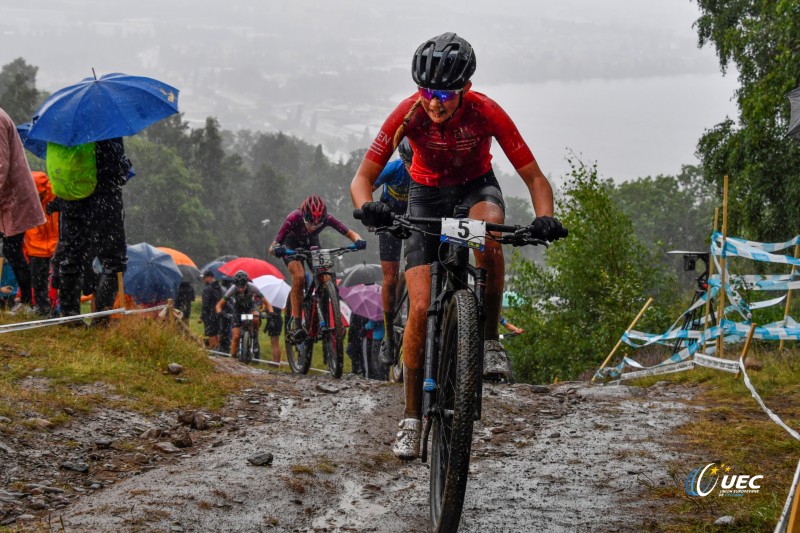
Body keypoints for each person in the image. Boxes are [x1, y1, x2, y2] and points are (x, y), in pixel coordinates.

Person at [350, 33, 567, 459]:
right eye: (428, 91)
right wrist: (368, 208)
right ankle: (412, 417)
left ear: (465, 88)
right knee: (419, 305)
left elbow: (536, 179)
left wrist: (545, 216)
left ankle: (487, 341)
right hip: (425, 196)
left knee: (489, 235)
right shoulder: (408, 113)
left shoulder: (485, 112)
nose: (435, 102)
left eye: (446, 93)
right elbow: (361, 179)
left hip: (474, 189)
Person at [50, 138, 132, 324]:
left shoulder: (65, 124)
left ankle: (70, 318)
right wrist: (125, 165)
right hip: (103, 196)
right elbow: (114, 165)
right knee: (114, 260)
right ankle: (100, 321)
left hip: (71, 196)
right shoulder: (105, 125)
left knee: (71, 256)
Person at [268, 195, 366, 340]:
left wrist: (359, 240)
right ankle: (297, 324)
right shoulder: (293, 217)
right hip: (290, 245)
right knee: (299, 276)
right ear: (303, 215)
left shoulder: (327, 218)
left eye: (317, 224)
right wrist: (277, 250)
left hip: (311, 244)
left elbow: (350, 233)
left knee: (327, 276)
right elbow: (272, 247)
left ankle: (330, 320)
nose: (313, 226)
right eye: (309, 222)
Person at [369, 138, 412, 365]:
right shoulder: (394, 168)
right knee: (390, 277)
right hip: (390, 220)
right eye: (409, 163)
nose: (412, 168)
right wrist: (371, 211)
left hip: (415, 219)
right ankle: (388, 336)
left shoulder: (425, 169)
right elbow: (368, 186)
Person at [0, 106, 46, 312]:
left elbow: (1, 165)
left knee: (13, 251)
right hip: (8, 197)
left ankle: (27, 302)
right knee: (12, 251)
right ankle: (26, 300)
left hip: (13, 197)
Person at [215, 270, 273, 359]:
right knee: (236, 337)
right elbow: (219, 304)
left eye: (243, 286)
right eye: (239, 286)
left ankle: (255, 337)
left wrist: (271, 313)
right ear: (235, 284)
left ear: (247, 283)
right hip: (238, 309)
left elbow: (267, 304)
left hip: (250, 306)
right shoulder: (233, 289)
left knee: (256, 316)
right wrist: (220, 312)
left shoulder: (253, 287)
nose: (241, 289)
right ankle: (233, 359)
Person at [24, 171, 59, 317]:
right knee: (38, 279)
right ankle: (42, 308)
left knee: (60, 279)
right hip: (35, 244)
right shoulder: (24, 197)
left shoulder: (56, 195)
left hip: (57, 242)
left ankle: (58, 308)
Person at [199, 270, 223, 350]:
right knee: (217, 333)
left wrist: (202, 317)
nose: (203, 280)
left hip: (210, 314)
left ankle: (213, 351)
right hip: (219, 313)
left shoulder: (207, 289)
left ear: (209, 277)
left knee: (211, 334)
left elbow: (205, 304)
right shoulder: (219, 287)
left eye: (204, 278)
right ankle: (219, 350)